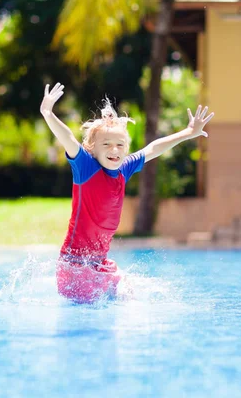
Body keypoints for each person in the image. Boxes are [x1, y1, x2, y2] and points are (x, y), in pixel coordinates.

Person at [40, 82, 214, 304]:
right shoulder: (85, 167)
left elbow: (153, 148)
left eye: (120, 145)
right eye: (107, 144)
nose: (114, 150)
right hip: (75, 266)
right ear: (92, 149)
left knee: (127, 294)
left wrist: (188, 133)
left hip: (99, 263)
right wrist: (47, 113)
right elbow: (68, 138)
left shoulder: (124, 168)